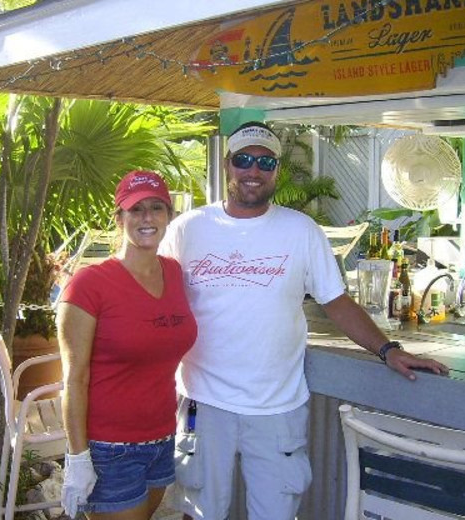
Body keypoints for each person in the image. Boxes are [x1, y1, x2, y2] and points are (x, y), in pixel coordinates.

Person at [160, 122, 449, 520]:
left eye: (265, 161)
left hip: (277, 405)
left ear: (277, 170)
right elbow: (155, 295)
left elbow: (337, 302)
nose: (253, 170)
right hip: (203, 402)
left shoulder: (301, 230)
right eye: (244, 160)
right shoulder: (187, 229)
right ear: (228, 165)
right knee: (200, 512)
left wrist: (389, 350)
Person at [58, 170, 198, 519]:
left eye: (156, 208)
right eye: (135, 209)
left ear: (168, 216)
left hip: (162, 439)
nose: (147, 218)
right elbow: (74, 378)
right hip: (109, 449)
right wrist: (77, 458)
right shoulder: (88, 284)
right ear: (119, 218)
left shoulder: (175, 273)